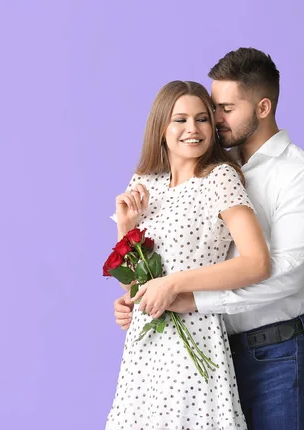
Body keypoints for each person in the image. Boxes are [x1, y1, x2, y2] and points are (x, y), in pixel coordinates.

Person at [114, 47, 304, 430]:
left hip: (278, 354)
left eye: (224, 110)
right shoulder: (218, 169)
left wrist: (186, 297)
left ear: (263, 108)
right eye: (212, 108)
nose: (213, 121)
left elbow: (284, 275)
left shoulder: (300, 176)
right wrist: (143, 295)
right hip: (215, 351)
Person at [105, 80, 271, 429]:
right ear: (161, 127)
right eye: (180, 119)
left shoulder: (220, 178)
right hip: (143, 351)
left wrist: (174, 285)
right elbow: (140, 284)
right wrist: (126, 229)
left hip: (194, 344)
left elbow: (257, 262)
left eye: (202, 119)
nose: (192, 129)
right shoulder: (143, 182)